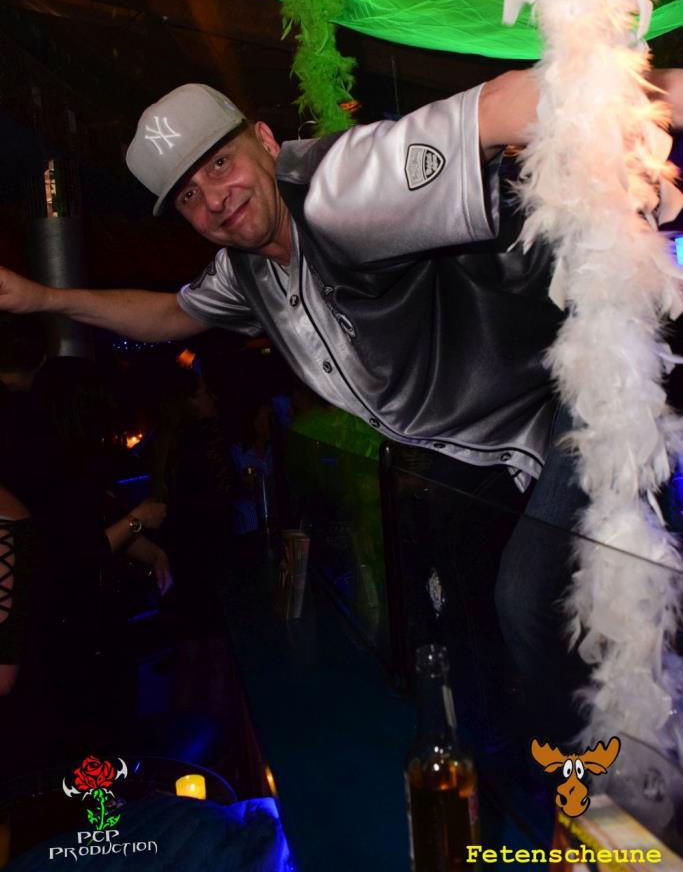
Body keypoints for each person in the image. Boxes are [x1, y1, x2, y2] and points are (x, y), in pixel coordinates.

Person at [0, 69, 681, 745]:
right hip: (477, 445)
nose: (213, 199)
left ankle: (610, 780)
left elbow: (501, 105)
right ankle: (524, 764)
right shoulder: (246, 267)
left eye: (219, 163)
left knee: (528, 598)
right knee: (452, 609)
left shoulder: (341, 189)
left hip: (571, 375)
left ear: (264, 140)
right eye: (188, 195)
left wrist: (666, 93)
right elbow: (172, 315)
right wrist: (42, 299)